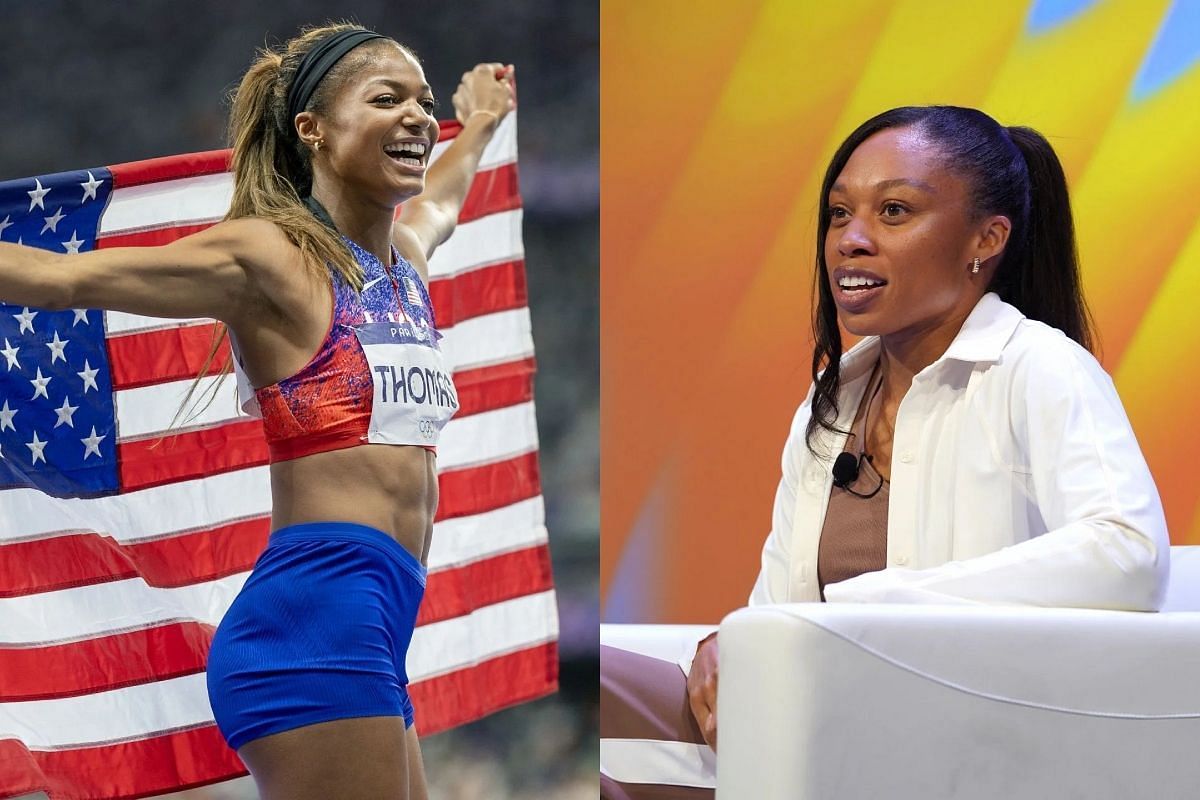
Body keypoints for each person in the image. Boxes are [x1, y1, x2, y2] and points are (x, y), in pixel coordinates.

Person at [0, 21, 514, 800]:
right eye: (386, 99)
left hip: (373, 624)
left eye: (423, 100)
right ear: (312, 129)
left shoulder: (402, 262)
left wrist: (478, 122)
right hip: (314, 624)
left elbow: (442, 201)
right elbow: (61, 281)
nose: (416, 115)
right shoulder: (270, 257)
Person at [599, 105, 1169, 800]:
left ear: (985, 240)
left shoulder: (1038, 367)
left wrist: (881, 609)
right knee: (600, 698)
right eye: (839, 215)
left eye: (893, 212)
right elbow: (782, 606)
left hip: (976, 747)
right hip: (827, 726)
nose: (851, 241)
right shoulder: (831, 399)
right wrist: (732, 643)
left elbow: (1127, 553)